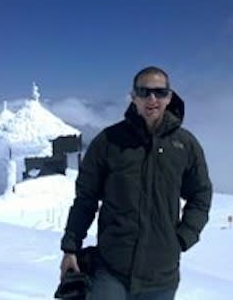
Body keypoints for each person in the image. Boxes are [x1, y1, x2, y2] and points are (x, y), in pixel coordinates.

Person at [59, 66, 212, 299]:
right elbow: (86, 199)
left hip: (161, 277)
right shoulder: (109, 142)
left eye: (160, 92)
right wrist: (71, 248)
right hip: (111, 271)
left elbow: (201, 194)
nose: (152, 98)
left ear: (169, 97)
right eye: (144, 92)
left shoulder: (185, 145)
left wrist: (182, 237)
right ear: (133, 97)